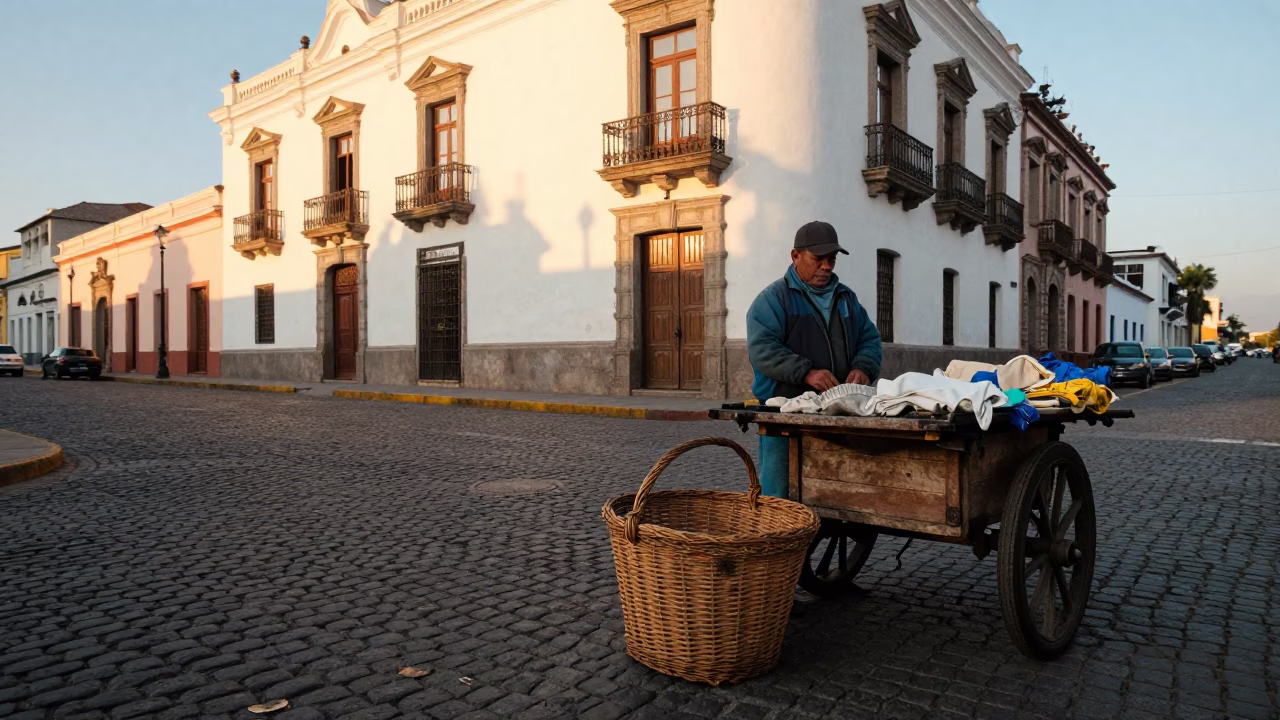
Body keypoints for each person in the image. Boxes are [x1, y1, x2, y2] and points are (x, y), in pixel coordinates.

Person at [747, 221, 883, 498]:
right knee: (779, 492)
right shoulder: (773, 299)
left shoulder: (846, 299)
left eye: (831, 260)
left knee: (835, 489)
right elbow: (762, 349)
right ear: (795, 256)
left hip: (836, 414)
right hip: (784, 415)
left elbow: (870, 339)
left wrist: (863, 366)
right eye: (818, 259)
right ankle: (778, 537)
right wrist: (807, 372)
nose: (826, 266)